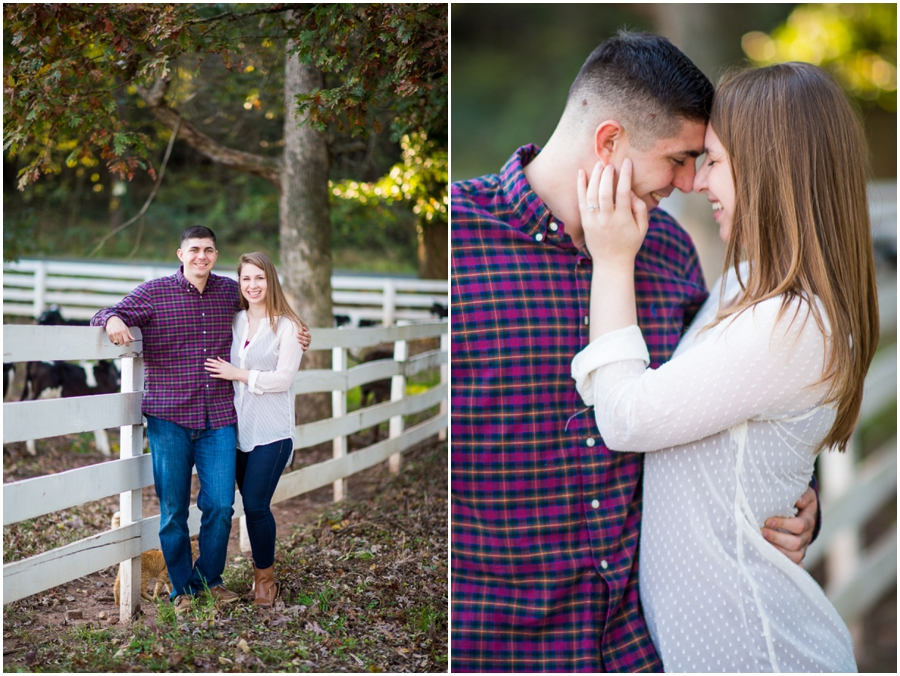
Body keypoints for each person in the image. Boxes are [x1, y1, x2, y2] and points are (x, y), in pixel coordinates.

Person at [451, 32, 819, 672]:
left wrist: (793, 494)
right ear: (610, 142)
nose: (689, 182)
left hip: (643, 646)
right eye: (679, 159)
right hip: (499, 645)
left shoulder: (671, 253)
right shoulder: (458, 242)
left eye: (702, 161)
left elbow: (730, 392)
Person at [571, 62, 876, 672]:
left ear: (770, 172)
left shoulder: (793, 322)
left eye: (714, 161)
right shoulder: (743, 288)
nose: (699, 182)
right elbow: (743, 430)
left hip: (762, 653)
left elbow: (626, 419)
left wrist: (611, 260)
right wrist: (793, 490)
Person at [91, 226, 311, 614]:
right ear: (180, 254)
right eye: (194, 250)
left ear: (215, 254)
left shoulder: (230, 290)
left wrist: (299, 333)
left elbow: (267, 314)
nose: (201, 257)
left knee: (221, 505)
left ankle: (210, 580)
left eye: (208, 250)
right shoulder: (155, 292)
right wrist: (111, 321)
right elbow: (108, 311)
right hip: (170, 418)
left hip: (219, 420)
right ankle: (182, 591)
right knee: (174, 510)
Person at [204, 252, 305, 607]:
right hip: (236, 430)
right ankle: (210, 578)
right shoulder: (232, 321)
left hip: (273, 433)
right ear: (239, 283)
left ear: (270, 280)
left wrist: (240, 375)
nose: (253, 285)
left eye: (259, 278)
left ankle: (265, 581)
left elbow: (283, 379)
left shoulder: (289, 327)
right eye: (246, 279)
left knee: (257, 505)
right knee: (226, 504)